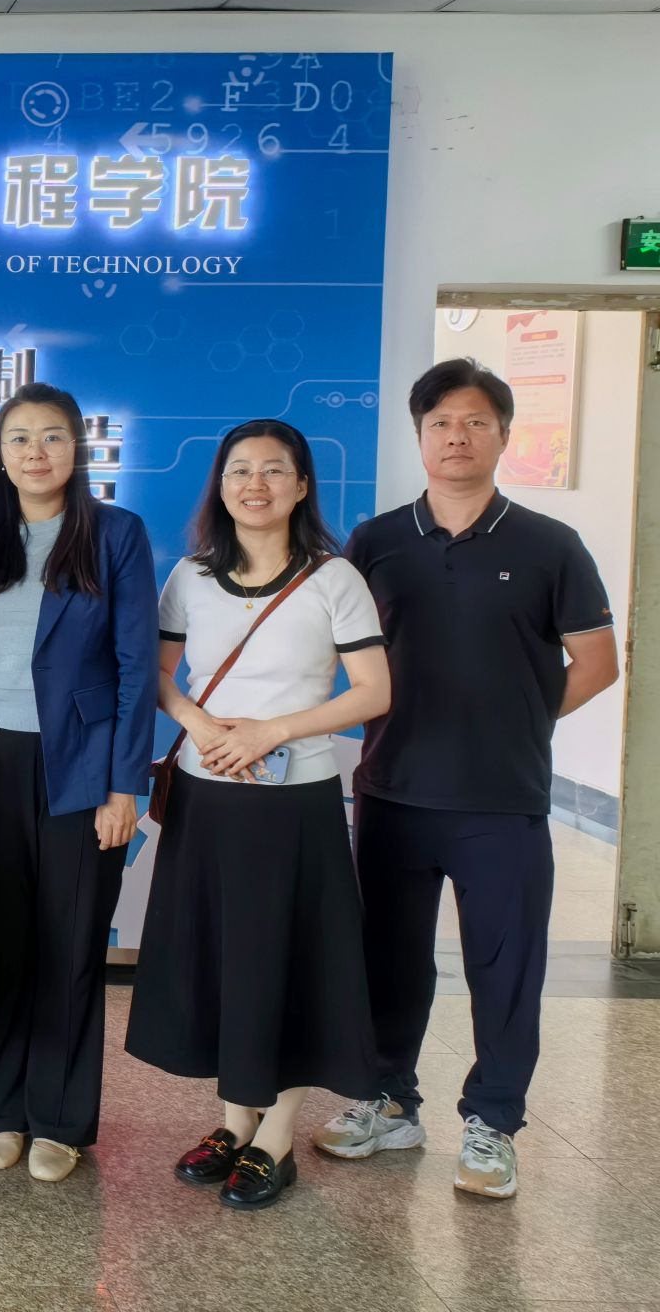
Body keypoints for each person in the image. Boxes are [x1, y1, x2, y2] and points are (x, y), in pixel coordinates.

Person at [314, 359, 619, 1200]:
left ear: (504, 436)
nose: (458, 436)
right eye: (442, 422)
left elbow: (597, 663)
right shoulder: (375, 542)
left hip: (502, 800)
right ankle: (389, 1102)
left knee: (504, 969)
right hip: (392, 790)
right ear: (420, 435)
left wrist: (519, 721)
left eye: (477, 421)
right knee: (388, 960)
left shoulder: (550, 544)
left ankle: (493, 1123)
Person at [125, 418, 391, 1210]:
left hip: (294, 802)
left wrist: (271, 731)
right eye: (240, 469)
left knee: (286, 960)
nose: (256, 484)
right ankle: (234, 1123)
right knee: (222, 959)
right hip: (207, 795)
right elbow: (158, 675)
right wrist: (203, 726)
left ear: (301, 486)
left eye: (275, 470)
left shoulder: (334, 579)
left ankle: (276, 1136)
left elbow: (374, 691)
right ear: (221, 485)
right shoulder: (190, 577)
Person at [0, 383, 157, 1184]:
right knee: (2, 946)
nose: (36, 452)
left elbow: (136, 666)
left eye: (53, 437)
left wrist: (123, 786)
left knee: (70, 946)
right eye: (20, 438)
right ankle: (0, 1110)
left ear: (80, 449)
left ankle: (61, 1119)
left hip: (83, 768)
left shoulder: (115, 533)